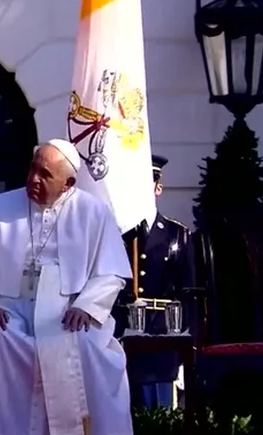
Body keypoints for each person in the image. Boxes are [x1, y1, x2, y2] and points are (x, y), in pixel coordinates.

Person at [0, 139, 134, 435]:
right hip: (10, 309)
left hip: (68, 311)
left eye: (45, 174)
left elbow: (111, 274)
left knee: (87, 347)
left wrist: (87, 305)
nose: (33, 179)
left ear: (68, 183)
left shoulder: (93, 212)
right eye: (33, 169)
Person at [117, 154, 195, 409]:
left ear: (158, 187)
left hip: (163, 341)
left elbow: (188, 293)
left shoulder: (177, 234)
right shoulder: (117, 234)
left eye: (145, 183)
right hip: (122, 340)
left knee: (160, 414)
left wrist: (187, 347)